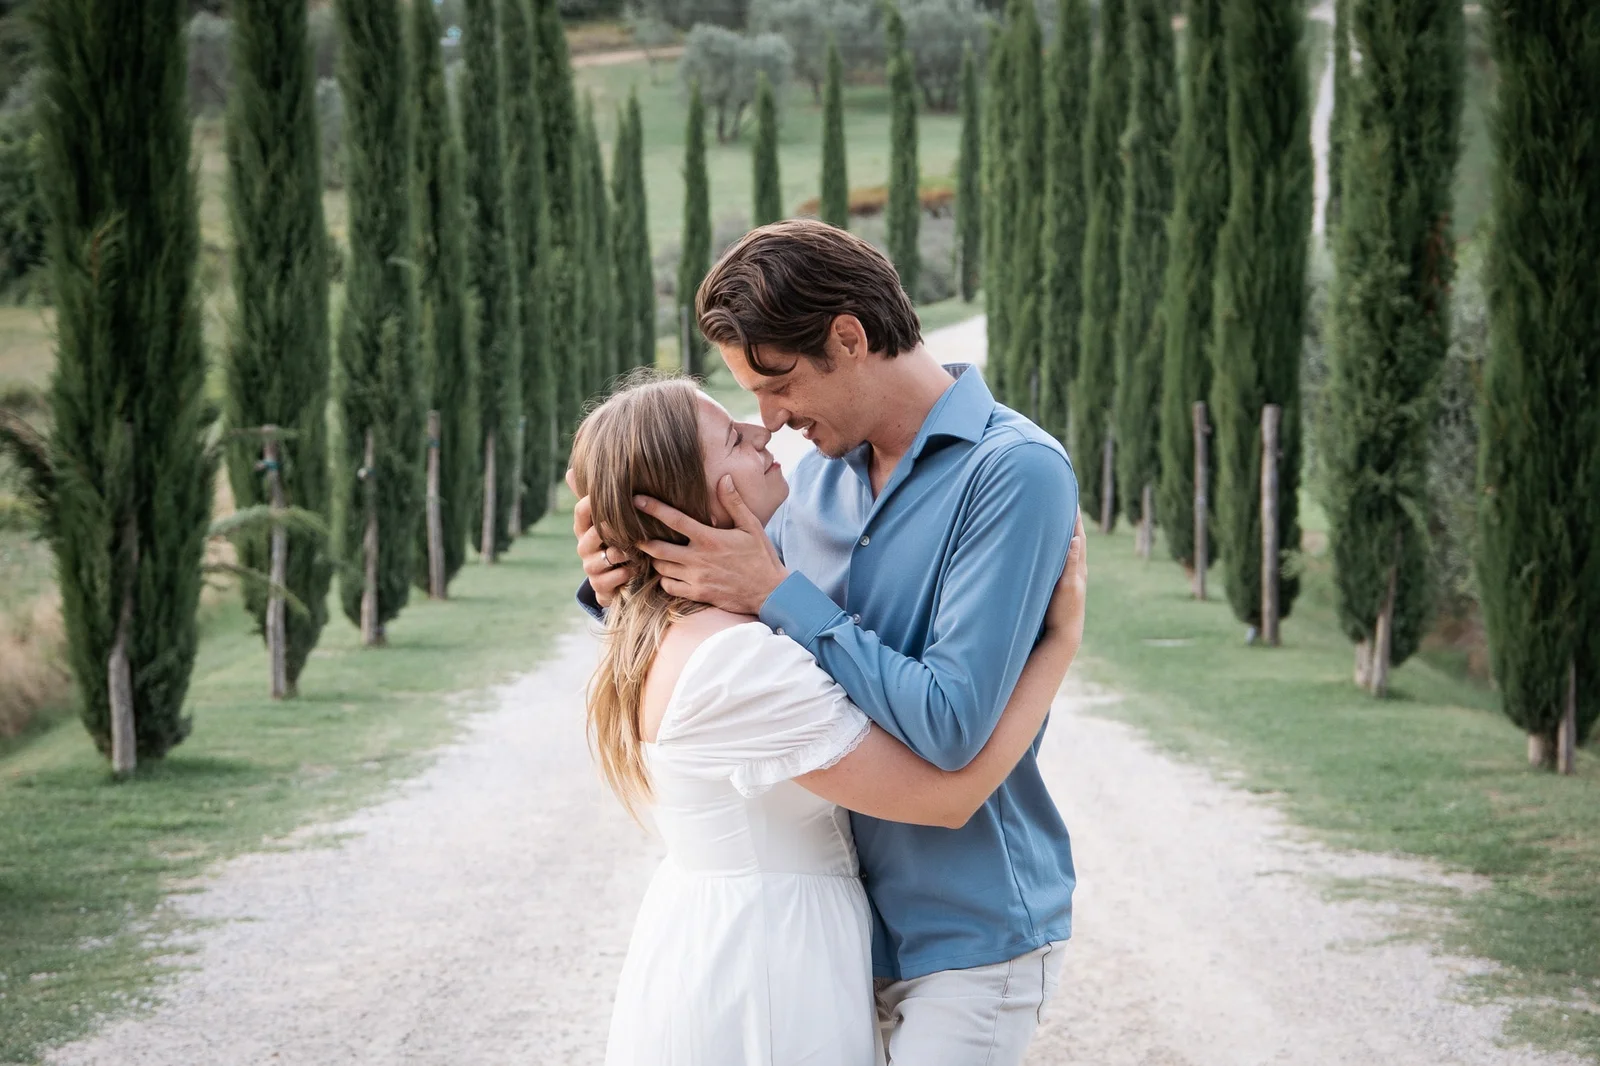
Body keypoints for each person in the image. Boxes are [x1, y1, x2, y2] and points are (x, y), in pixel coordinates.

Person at [575, 220, 1081, 1064]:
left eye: (776, 384)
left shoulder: (1012, 473)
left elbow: (951, 725)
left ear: (848, 337)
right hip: (839, 941)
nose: (769, 422)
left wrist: (780, 593)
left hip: (961, 932)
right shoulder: (806, 479)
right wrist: (617, 579)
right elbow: (723, 662)